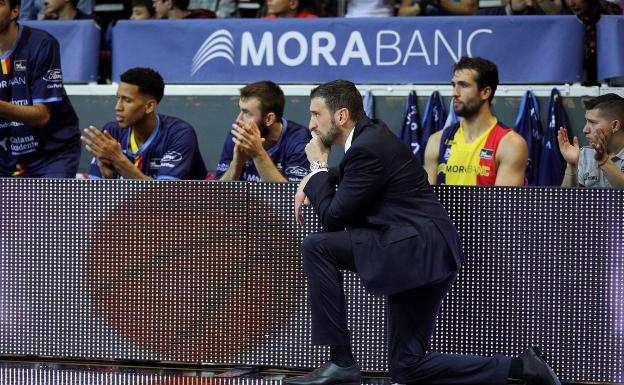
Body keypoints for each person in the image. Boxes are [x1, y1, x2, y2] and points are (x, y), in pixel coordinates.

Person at [288, 79, 560, 385]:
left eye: (315, 114)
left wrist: (316, 167)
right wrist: (320, 177)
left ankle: (340, 361)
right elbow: (354, 177)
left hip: (413, 249)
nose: (311, 125)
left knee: (317, 245)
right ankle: (521, 367)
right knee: (407, 366)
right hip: (428, 254)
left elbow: (333, 217)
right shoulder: (369, 140)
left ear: (341, 116)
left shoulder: (367, 147)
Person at [0, 0, 81, 178]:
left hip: (52, 154)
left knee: (49, 206)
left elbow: (42, 116)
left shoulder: (41, 44)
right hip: (6, 157)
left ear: (14, 11)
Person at [82, 67, 207, 180]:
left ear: (149, 106)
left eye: (127, 100)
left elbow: (165, 196)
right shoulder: (111, 132)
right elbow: (94, 196)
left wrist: (119, 162)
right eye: (118, 98)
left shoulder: (179, 134)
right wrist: (108, 179)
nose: (118, 107)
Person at [424, 57, 528, 186]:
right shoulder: (436, 141)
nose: (454, 93)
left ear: (485, 92)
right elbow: (425, 202)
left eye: (464, 85)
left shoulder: (510, 144)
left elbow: (502, 205)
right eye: (454, 85)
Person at [215, 81, 311, 182]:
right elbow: (217, 194)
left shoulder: (299, 140)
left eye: (246, 113)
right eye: (240, 111)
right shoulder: (238, 136)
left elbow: (293, 195)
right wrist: (237, 164)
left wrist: (258, 154)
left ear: (269, 119)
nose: (238, 120)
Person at [558, 93, 624, 188]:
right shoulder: (585, 154)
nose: (585, 130)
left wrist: (604, 162)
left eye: (592, 122)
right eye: (586, 121)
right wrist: (572, 166)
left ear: (614, 126)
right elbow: (565, 200)